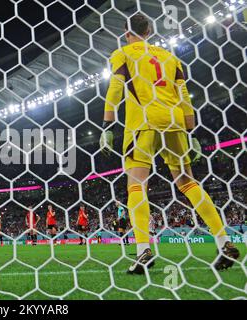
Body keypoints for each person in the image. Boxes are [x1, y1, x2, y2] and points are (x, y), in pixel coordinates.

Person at [99, 13, 239, 274]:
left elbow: (115, 90)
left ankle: (143, 251)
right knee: (188, 182)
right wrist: (191, 132)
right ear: (150, 30)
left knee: (136, 185)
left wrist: (107, 125)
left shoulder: (124, 53)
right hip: (175, 123)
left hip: (144, 123)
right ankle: (224, 241)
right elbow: (184, 95)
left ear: (126, 33)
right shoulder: (169, 57)